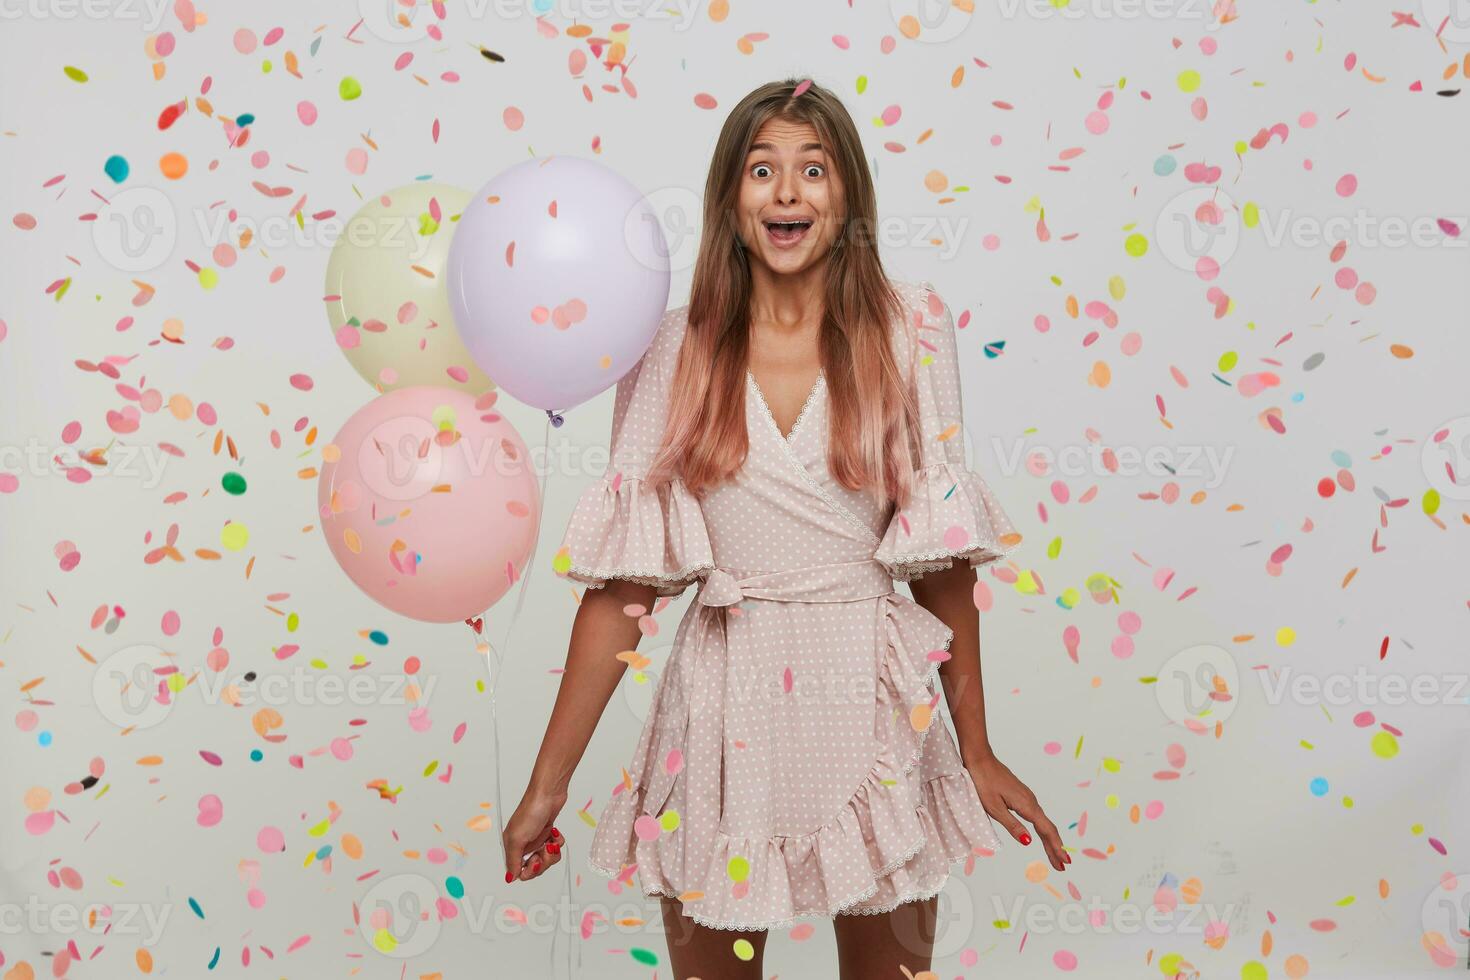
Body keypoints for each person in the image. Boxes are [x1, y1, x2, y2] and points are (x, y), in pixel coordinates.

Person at [502, 76, 1069, 979]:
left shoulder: (909, 328)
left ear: (847, 195)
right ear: (731, 198)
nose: (788, 191)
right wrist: (546, 785)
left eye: (814, 169)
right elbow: (625, 592)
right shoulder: (671, 347)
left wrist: (979, 749)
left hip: (874, 697)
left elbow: (944, 569)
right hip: (724, 709)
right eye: (763, 170)